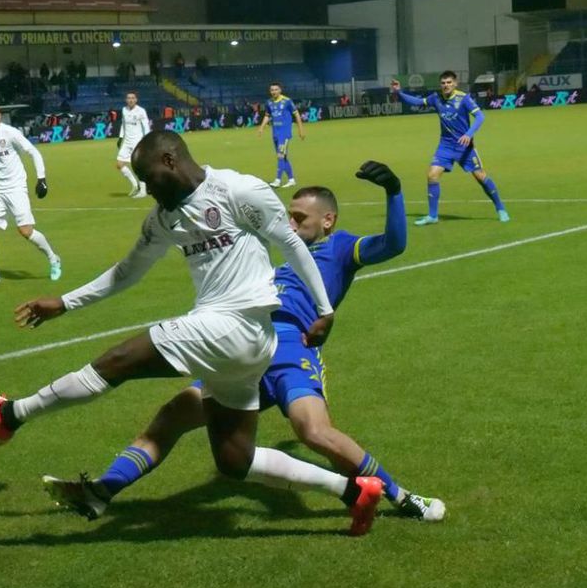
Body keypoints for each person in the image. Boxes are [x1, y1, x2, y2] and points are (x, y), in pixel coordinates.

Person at [0, 131, 385, 537]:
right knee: (235, 460)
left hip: (237, 323)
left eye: (149, 178)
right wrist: (65, 302)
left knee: (118, 360)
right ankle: (354, 492)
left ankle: (10, 415)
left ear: (170, 160)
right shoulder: (162, 219)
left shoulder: (239, 190)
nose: (147, 188)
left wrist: (325, 310)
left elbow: (290, 244)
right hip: (242, 346)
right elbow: (126, 272)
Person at [43, 161, 447, 523]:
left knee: (313, 431)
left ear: (328, 220)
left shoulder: (340, 247)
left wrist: (394, 192)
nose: (290, 224)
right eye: (288, 216)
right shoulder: (278, 248)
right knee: (173, 415)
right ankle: (102, 491)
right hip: (245, 344)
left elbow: (393, 244)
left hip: (292, 348)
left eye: (300, 218)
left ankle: (401, 496)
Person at [391, 72, 509, 225]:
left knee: (480, 177)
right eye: (443, 83)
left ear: (455, 83)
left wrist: (468, 134)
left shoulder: (463, 98)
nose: (446, 85)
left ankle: (500, 208)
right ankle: (433, 216)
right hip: (445, 145)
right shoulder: (436, 98)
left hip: (464, 146)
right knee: (432, 175)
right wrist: (399, 92)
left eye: (449, 82)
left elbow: (480, 116)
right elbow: (418, 102)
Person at [0, 103, 61, 287]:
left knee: (26, 231)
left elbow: (33, 152)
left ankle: (53, 259)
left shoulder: (10, 133)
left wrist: (41, 179)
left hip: (16, 188)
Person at [258, 82, 305, 188]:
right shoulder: (269, 102)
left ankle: (277, 180)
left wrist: (301, 130)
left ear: (280, 90)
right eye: (272, 90)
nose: (274, 92)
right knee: (283, 157)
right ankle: (291, 180)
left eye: (276, 89)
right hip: (275, 133)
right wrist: (261, 127)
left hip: (284, 133)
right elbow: (267, 115)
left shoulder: (287, 101)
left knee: (280, 156)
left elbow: (297, 114)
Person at [116, 91, 150, 198]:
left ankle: (143, 191)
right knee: (119, 164)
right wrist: (120, 137)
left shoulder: (141, 111)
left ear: (136, 100)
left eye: (132, 98)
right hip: (127, 142)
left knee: (138, 166)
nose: (130, 100)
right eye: (128, 98)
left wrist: (147, 140)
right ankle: (135, 185)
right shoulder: (124, 110)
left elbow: (146, 126)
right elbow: (123, 124)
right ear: (126, 100)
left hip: (137, 142)